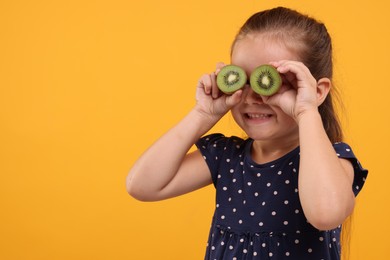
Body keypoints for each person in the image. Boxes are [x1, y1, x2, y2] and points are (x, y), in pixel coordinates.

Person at [126, 6, 368, 259]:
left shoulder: (332, 160)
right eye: (242, 79)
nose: (254, 96)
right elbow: (142, 186)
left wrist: (306, 110)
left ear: (316, 91)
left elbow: (325, 214)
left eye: (273, 80)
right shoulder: (227, 156)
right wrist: (203, 114)